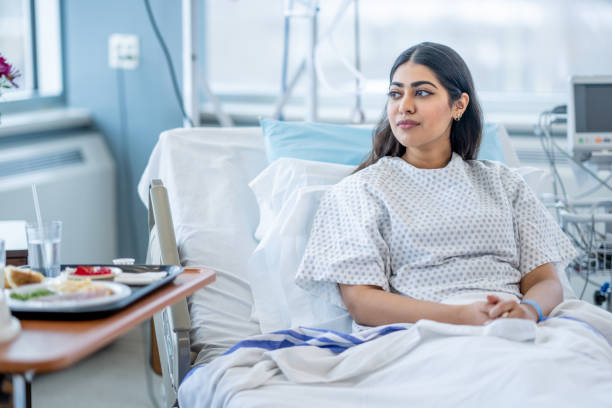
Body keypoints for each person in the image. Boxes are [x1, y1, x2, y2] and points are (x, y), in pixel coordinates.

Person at [295, 42, 576, 328]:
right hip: (421, 330)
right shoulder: (359, 192)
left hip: (518, 323)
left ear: (459, 105)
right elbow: (361, 302)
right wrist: (462, 317)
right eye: (395, 94)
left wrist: (527, 312)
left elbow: (545, 281)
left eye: (422, 93)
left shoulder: (505, 184)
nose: (404, 106)